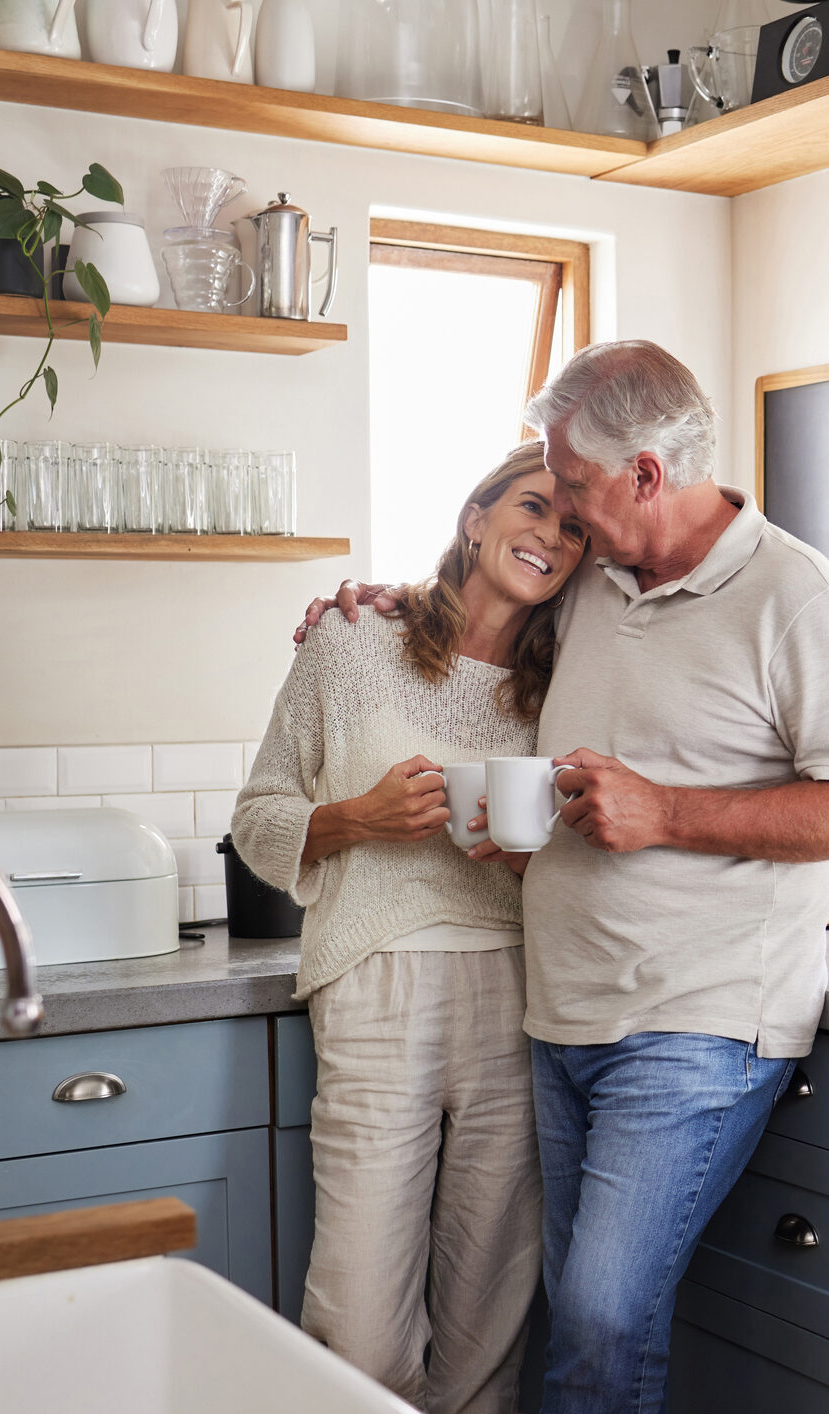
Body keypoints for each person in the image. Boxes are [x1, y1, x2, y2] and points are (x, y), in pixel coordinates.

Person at [303, 339, 829, 1414]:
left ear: (643, 472)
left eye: (575, 481)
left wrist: (665, 810)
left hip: (698, 1024)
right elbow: (484, 600)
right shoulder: (596, 580)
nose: (565, 510)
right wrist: (376, 605)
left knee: (600, 1316)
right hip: (563, 1016)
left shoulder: (796, 598)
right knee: (570, 1320)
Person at [236, 442, 589, 1414]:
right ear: (475, 517)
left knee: (488, 1329)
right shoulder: (353, 641)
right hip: (375, 983)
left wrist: (526, 856)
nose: (549, 535)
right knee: (355, 1331)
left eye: (572, 527)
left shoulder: (571, 687)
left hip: (521, 995)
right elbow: (259, 812)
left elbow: (592, 851)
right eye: (531, 506)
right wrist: (358, 818)